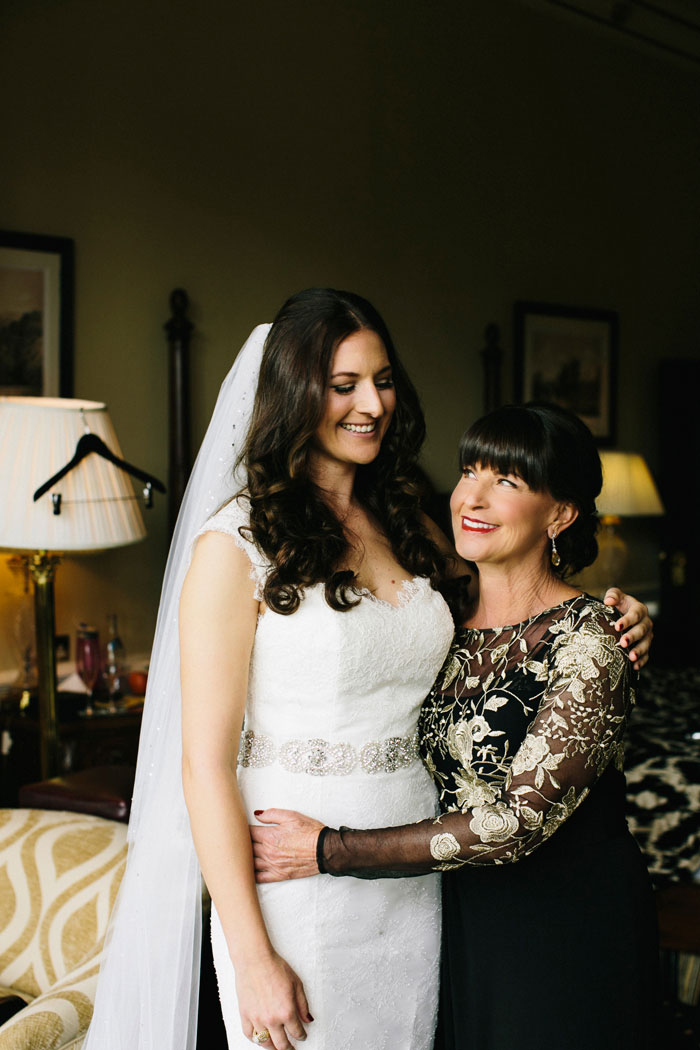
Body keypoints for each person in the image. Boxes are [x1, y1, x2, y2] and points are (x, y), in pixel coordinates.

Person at [83, 291, 652, 1050]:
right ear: (295, 393)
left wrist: (628, 617)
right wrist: (253, 957)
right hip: (295, 871)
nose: (371, 404)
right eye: (343, 384)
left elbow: (519, 610)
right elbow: (203, 767)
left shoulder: (412, 519)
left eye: (382, 380)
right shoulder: (236, 544)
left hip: (417, 874)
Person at [251, 402, 659, 1050]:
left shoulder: (592, 638)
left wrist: (329, 849)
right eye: (471, 469)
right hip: (451, 916)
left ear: (560, 513)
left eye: (508, 480)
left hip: (563, 925)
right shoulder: (439, 619)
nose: (473, 494)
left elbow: (517, 824)